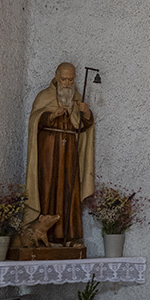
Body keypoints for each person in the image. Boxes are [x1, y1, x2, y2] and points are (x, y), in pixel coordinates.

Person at [25, 63, 96, 246]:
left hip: (70, 150)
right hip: (48, 150)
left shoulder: (77, 99)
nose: (67, 83)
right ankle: (45, 236)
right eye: (64, 79)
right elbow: (35, 120)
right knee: (48, 187)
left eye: (70, 79)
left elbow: (82, 127)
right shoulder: (44, 96)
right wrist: (51, 115)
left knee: (70, 189)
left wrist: (87, 113)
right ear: (56, 76)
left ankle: (69, 237)